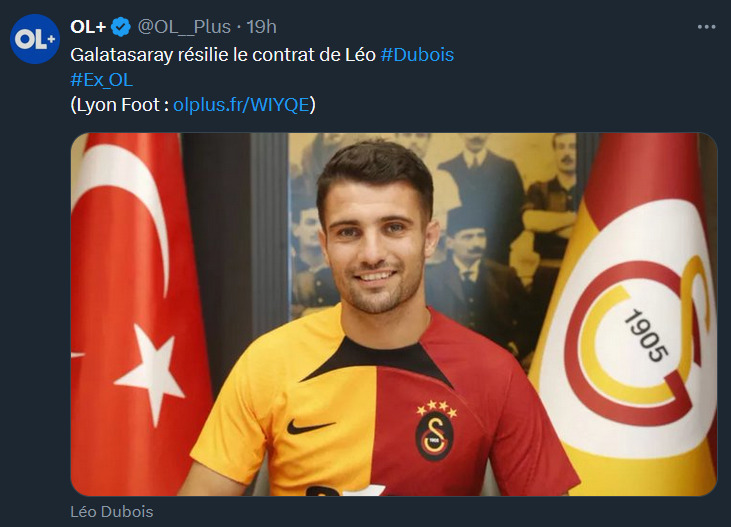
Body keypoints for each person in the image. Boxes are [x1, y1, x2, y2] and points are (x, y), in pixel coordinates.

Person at [178, 140, 579, 496]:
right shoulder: (268, 362)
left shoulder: (496, 374)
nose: (371, 254)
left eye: (394, 227)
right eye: (348, 232)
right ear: (324, 245)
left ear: (429, 239)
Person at [425, 206, 530, 357]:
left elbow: (529, 319)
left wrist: (516, 347)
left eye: (481, 236)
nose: (476, 244)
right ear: (449, 243)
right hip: (448, 359)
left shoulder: (504, 275)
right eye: (468, 237)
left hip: (495, 359)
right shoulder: (432, 278)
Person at [520, 133, 578, 371]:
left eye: (572, 147)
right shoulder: (539, 189)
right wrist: (575, 218)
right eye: (561, 147)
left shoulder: (593, 188)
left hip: (580, 272)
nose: (566, 152)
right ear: (554, 151)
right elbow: (530, 220)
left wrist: (550, 223)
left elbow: (596, 229)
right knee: (542, 340)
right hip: (547, 275)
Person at [437, 133, 524, 265]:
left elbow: (517, 217)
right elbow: (443, 218)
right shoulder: (445, 170)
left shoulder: (507, 169)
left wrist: (492, 243)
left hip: (496, 257)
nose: (476, 135)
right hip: (456, 258)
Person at [393, 133, 461, 265]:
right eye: (407, 134)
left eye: (420, 135)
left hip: (436, 263)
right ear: (397, 137)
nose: (413, 141)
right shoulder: (380, 182)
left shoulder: (444, 179)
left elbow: (454, 226)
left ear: (429, 140)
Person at [290, 191, 339, 318]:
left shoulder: (339, 265)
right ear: (296, 229)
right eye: (310, 223)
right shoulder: (289, 268)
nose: (317, 229)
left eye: (321, 224)